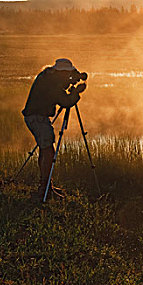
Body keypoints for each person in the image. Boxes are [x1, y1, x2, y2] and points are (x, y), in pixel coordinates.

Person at [22, 58, 87, 202]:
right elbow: (66, 101)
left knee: (45, 149)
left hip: (34, 117)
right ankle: (44, 190)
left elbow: (64, 82)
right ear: (62, 72)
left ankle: (46, 185)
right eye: (67, 74)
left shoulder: (47, 75)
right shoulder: (54, 84)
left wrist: (75, 77)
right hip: (38, 118)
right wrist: (76, 92)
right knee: (49, 151)